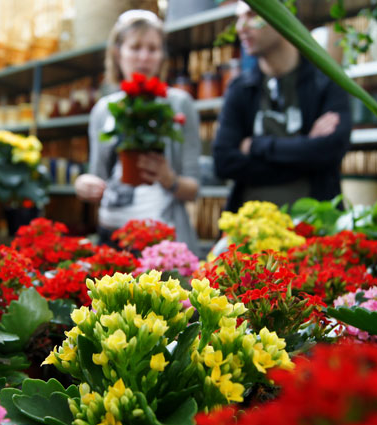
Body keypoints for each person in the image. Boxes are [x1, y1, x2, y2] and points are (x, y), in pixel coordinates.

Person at [74, 9, 201, 254]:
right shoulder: (104, 109)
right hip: (112, 238)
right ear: (117, 52)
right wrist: (84, 184)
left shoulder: (178, 104)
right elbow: (97, 175)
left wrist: (168, 178)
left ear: (162, 56)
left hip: (161, 243)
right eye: (135, 47)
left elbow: (193, 189)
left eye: (153, 49)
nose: (144, 57)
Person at [213, 2, 352, 212]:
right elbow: (224, 162)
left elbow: (331, 150)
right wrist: (306, 153)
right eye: (239, 18)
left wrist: (255, 146)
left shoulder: (326, 82)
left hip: (316, 231)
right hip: (248, 232)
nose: (241, 27)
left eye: (252, 15)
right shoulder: (240, 89)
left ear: (284, 14)